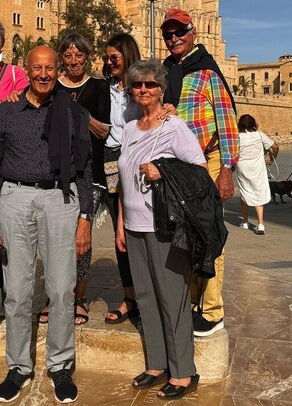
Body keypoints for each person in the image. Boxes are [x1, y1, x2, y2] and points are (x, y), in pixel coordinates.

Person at [0, 45, 93, 404]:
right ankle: (18, 366)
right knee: (16, 290)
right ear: (26, 70)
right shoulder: (8, 113)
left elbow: (86, 170)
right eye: (37, 68)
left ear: (58, 70)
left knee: (61, 289)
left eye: (50, 68)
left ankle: (60, 365)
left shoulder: (74, 113)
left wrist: (86, 218)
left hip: (61, 199)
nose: (44, 74)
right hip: (15, 199)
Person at [116, 59, 204, 399]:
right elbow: (123, 180)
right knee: (146, 296)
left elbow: (197, 170)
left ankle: (183, 371)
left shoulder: (174, 127)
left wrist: (163, 171)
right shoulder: (129, 129)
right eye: (137, 85)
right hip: (134, 225)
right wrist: (121, 223)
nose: (143, 90)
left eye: (150, 84)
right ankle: (156, 363)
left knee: (173, 297)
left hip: (164, 225)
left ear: (161, 89)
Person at [160, 8, 239, 338]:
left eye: (179, 32)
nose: (174, 38)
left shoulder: (206, 71)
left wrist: (227, 169)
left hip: (208, 161)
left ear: (193, 33)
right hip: (178, 167)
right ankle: (194, 301)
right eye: (168, 34)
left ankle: (212, 309)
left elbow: (227, 120)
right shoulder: (166, 72)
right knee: (184, 234)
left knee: (208, 233)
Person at [37, 34, 109, 326]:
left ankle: (79, 298)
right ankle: (53, 297)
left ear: (87, 57)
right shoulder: (52, 87)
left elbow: (103, 130)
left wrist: (78, 114)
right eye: (68, 56)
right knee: (53, 239)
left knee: (82, 240)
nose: (74, 61)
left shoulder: (99, 88)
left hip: (88, 173)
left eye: (79, 55)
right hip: (56, 172)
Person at [102, 32, 142, 325]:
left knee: (139, 229)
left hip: (137, 161)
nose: (109, 62)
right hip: (110, 162)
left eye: (114, 57)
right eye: (106, 58)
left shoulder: (142, 87)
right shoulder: (107, 89)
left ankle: (146, 296)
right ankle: (130, 297)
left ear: (127, 55)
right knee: (121, 236)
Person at [235, 114, 276, 233]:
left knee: (244, 190)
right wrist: (272, 158)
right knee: (258, 191)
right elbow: (275, 146)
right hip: (258, 167)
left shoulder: (237, 137)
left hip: (242, 167)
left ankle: (245, 221)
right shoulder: (259, 135)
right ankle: (260, 224)